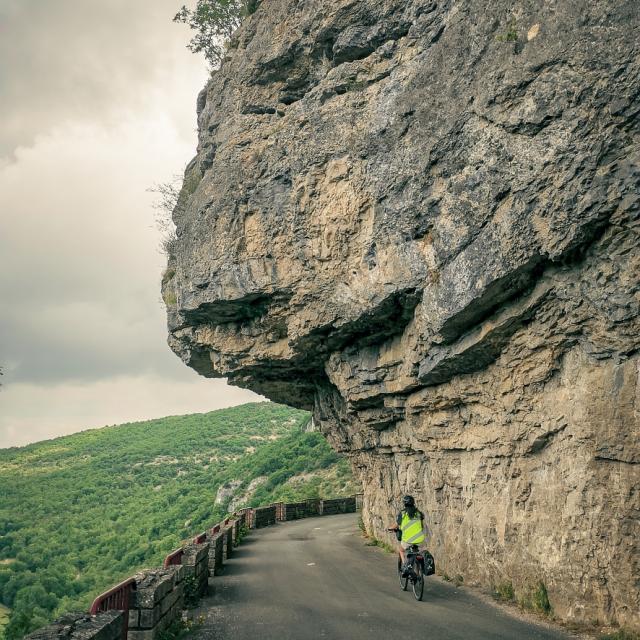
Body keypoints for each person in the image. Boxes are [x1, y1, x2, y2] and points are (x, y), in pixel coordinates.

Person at [389, 495, 426, 576]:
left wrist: (390, 528)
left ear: (404, 504)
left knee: (401, 550)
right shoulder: (419, 513)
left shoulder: (403, 513)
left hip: (408, 540)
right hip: (420, 540)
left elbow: (397, 525)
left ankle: (405, 566)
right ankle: (417, 570)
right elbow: (421, 526)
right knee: (416, 552)